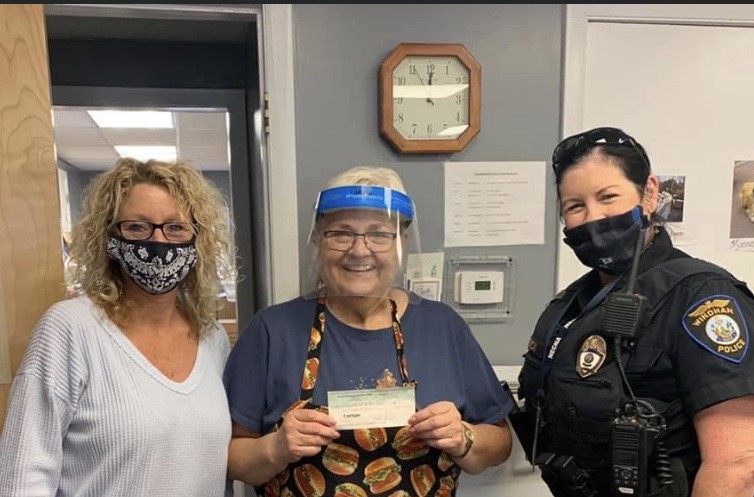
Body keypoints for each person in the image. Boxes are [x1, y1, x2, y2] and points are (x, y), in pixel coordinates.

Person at [224, 166, 513, 496]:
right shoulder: (272, 331)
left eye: (379, 234)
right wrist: (276, 447)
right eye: (341, 233)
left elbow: (500, 443)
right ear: (318, 241)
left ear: (401, 242)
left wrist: (464, 438)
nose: (360, 250)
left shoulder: (442, 327)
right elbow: (230, 458)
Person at [513, 127, 754, 497]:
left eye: (608, 197)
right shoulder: (569, 307)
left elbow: (738, 468)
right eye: (575, 206)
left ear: (650, 193)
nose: (593, 218)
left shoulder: (702, 296)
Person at [0, 158, 237, 496]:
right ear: (109, 237)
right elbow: (23, 479)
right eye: (138, 227)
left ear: (198, 241)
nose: (158, 242)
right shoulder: (68, 330)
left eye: (176, 228)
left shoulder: (212, 338)